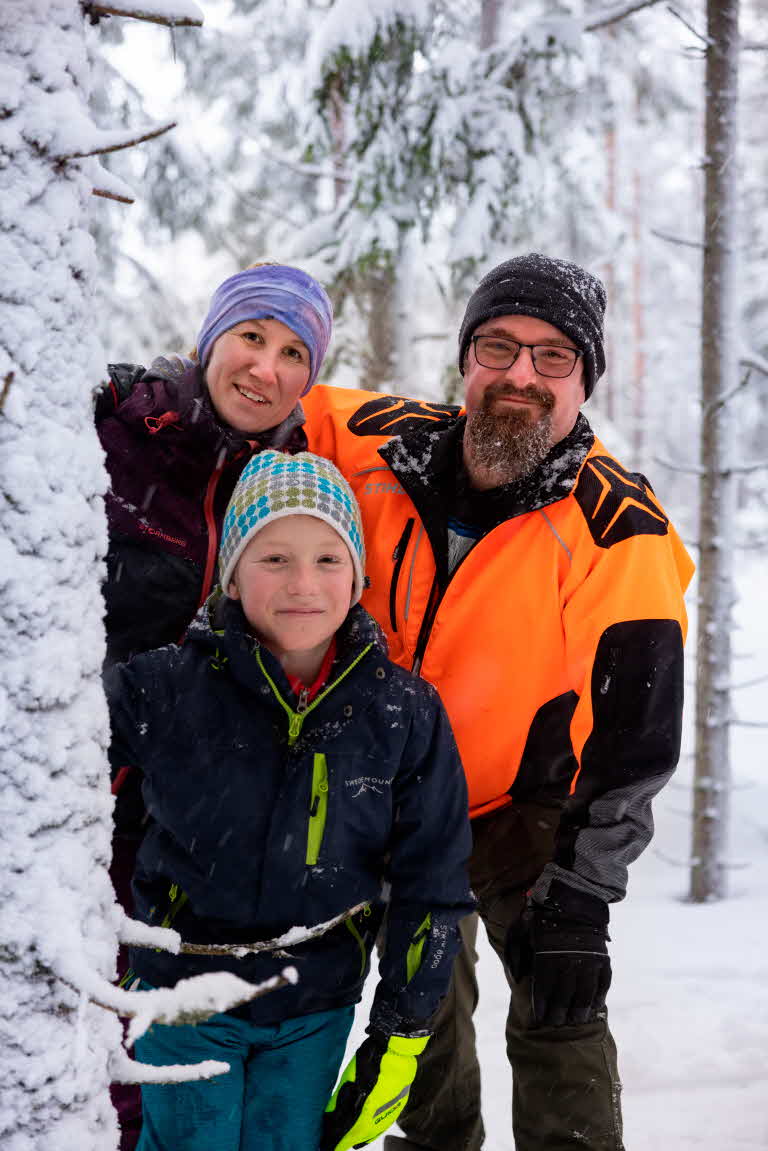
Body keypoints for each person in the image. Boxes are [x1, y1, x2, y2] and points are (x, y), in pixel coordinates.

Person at [300, 252, 695, 1151]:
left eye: (553, 357)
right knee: (421, 1002)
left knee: (559, 1000)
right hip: (401, 793)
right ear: (466, 359)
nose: (521, 373)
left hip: (531, 798)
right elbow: (258, 386)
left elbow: (635, 741)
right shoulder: (377, 442)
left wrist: (584, 899)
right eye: (500, 346)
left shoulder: (617, 527)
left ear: (583, 381)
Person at [106, 450, 474, 1151]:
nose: (303, 583)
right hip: (183, 993)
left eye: (328, 559)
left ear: (359, 576)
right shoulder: (160, 687)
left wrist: (401, 1036)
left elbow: (433, 883)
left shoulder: (405, 711)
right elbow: (48, 773)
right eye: (273, 558)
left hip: (316, 999)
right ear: (233, 579)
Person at [95, 262, 332, 1149]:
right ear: (212, 338)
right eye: (251, 337)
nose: (265, 368)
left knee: (148, 1036)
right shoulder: (121, 427)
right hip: (69, 784)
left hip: (187, 815)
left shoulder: (293, 483)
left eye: (293, 352)